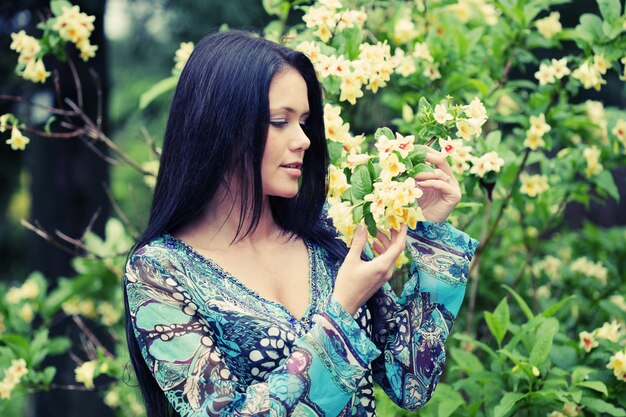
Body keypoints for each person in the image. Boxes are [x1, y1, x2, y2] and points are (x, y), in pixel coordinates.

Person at [123, 30, 478, 417]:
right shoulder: (159, 271)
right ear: (219, 126)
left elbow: (410, 381)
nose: (304, 140)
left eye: (305, 122)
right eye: (280, 121)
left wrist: (431, 242)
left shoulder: (327, 231)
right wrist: (341, 313)